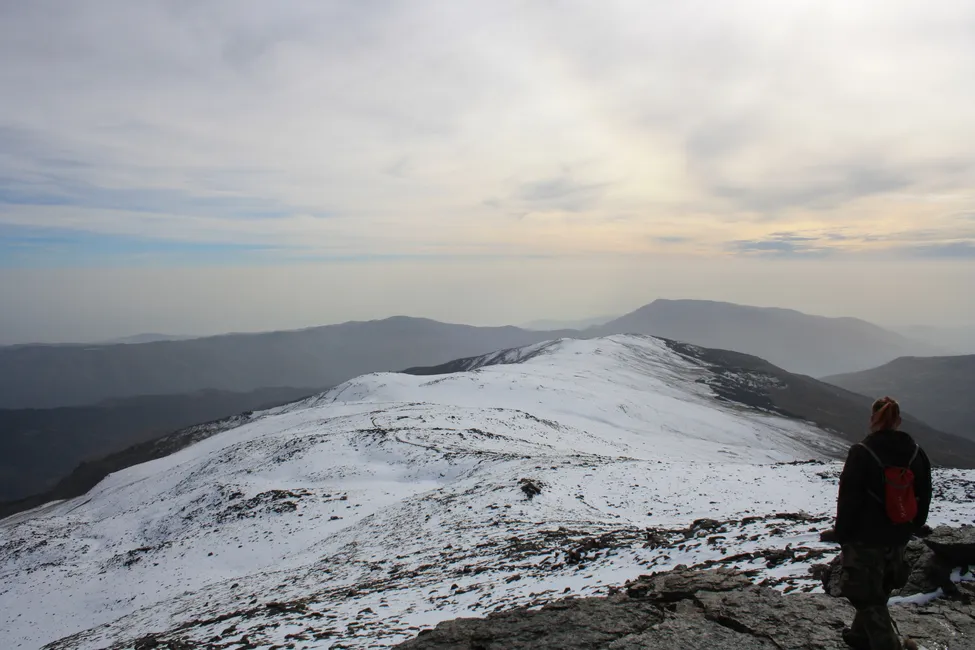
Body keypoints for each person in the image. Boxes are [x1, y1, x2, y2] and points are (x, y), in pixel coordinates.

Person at [832, 396, 932, 650]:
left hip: (866, 536)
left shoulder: (862, 452)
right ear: (898, 421)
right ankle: (860, 636)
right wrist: (911, 525)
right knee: (881, 586)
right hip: (898, 532)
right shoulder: (916, 452)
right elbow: (925, 492)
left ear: (872, 420)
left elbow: (849, 498)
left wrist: (843, 534)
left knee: (863, 594)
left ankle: (887, 645)